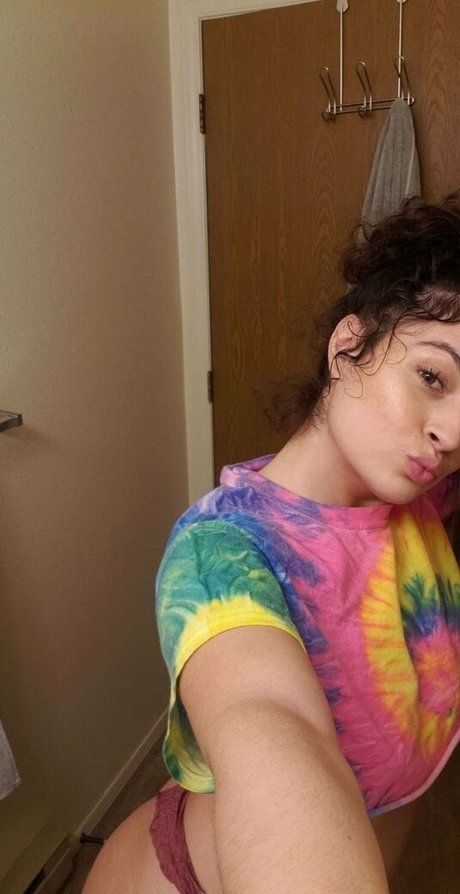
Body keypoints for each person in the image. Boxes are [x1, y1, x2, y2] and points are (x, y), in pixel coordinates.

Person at [83, 194, 460, 894]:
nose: (452, 433)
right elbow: (268, 715)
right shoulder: (223, 552)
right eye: (432, 377)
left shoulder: (416, 499)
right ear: (348, 349)